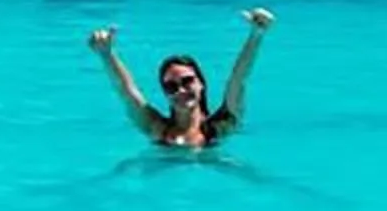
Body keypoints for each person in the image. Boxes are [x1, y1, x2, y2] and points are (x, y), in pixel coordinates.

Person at [89, 8, 272, 149]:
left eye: (187, 81)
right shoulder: (156, 127)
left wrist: (256, 36)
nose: (181, 90)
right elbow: (127, 92)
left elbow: (238, 79)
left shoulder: (222, 126)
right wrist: (107, 55)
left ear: (201, 83)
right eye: (171, 86)